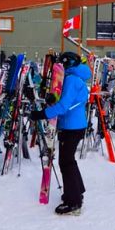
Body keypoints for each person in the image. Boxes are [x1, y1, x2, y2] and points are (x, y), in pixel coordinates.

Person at [30, 51, 90, 215]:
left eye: (63, 64)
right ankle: (77, 191)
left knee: (66, 162)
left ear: (68, 64)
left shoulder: (71, 80)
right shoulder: (77, 78)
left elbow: (64, 106)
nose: (61, 67)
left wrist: (43, 114)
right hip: (74, 125)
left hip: (72, 126)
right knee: (69, 161)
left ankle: (74, 202)